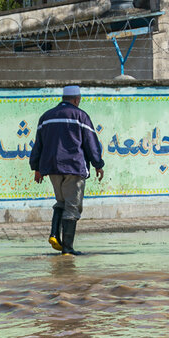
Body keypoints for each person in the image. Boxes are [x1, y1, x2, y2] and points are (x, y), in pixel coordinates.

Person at [29, 85, 105, 256]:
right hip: (74, 168)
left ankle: (55, 234)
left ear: (63, 98)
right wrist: (98, 164)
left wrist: (36, 168)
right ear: (76, 99)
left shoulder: (46, 117)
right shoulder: (80, 116)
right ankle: (68, 249)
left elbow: (38, 145)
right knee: (72, 206)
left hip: (52, 168)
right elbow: (91, 143)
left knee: (61, 201)